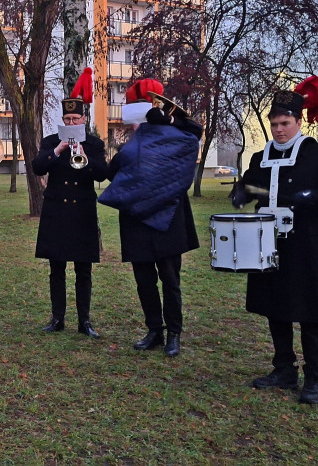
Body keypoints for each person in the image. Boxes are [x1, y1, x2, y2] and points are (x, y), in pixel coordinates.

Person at [231, 78, 318, 404]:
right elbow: (252, 186)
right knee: (275, 308)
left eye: (285, 123)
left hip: (308, 246)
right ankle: (284, 370)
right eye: (274, 124)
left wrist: (315, 196)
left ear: (298, 122)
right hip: (269, 245)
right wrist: (241, 193)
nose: (279, 130)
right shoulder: (260, 158)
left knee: (309, 313)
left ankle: (314, 377)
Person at [99, 79, 202, 357]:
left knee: (170, 280)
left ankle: (174, 333)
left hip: (167, 220)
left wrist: (170, 120)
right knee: (144, 280)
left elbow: (195, 131)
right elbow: (110, 173)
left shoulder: (178, 137)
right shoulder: (132, 147)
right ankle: (154, 330)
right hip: (138, 221)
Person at [33, 68, 108, 338]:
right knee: (57, 269)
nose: (71, 121)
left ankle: (84, 321)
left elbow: (102, 174)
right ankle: (57, 318)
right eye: (67, 118)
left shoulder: (94, 144)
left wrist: (84, 155)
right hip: (56, 212)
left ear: (84, 119)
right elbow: (38, 168)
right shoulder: (51, 142)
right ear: (62, 120)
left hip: (82, 212)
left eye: (76, 118)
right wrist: (58, 150)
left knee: (83, 270)